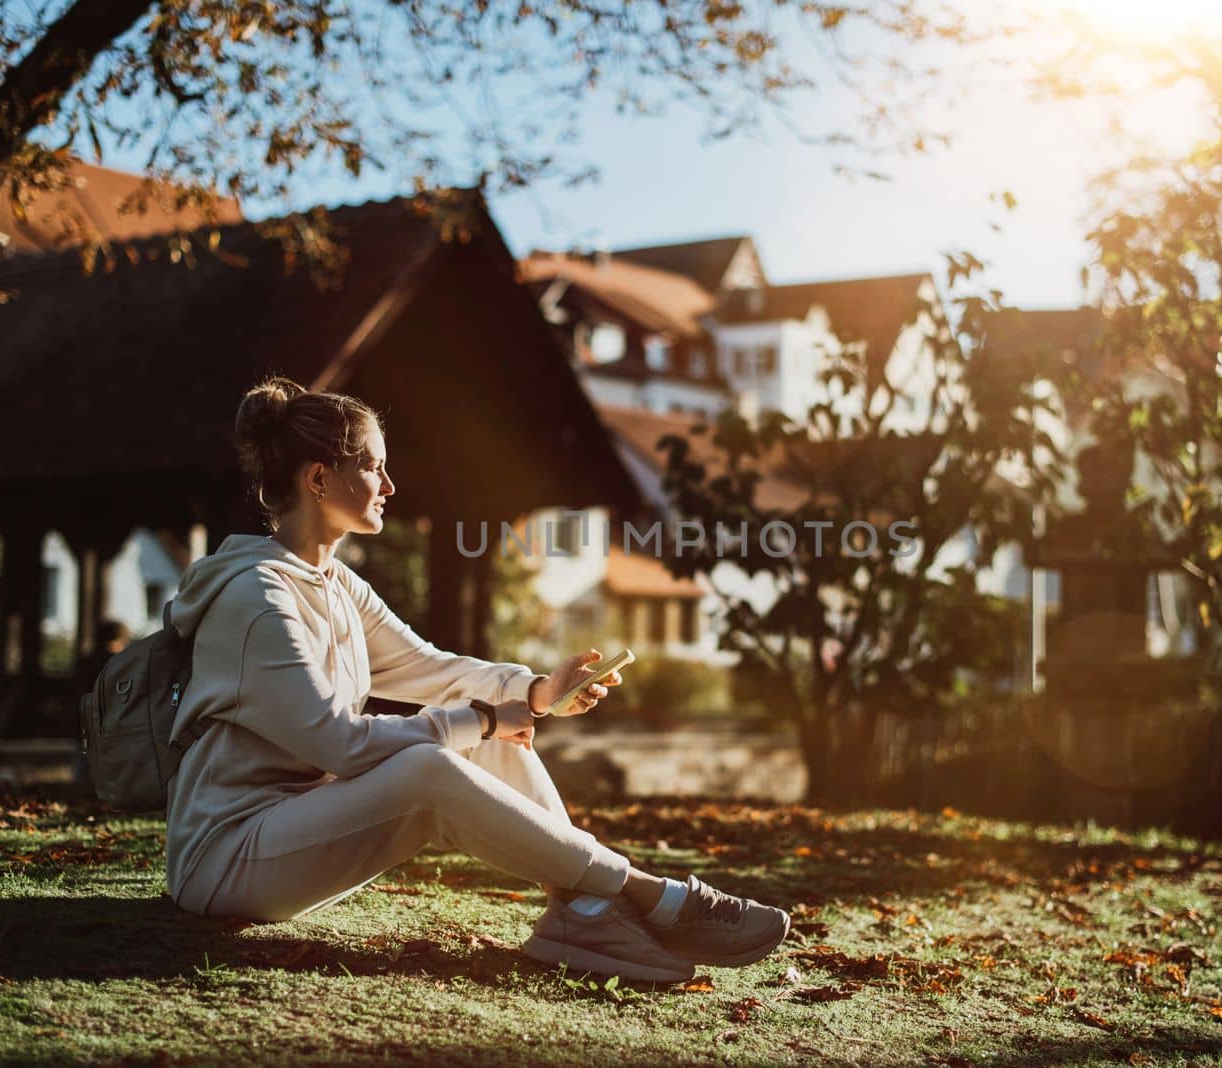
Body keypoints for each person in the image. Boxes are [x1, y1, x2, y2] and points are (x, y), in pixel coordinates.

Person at [162, 377, 787, 983]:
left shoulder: (336, 586)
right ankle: (647, 894)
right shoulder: (257, 599)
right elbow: (340, 743)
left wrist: (535, 692)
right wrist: (480, 719)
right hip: (228, 857)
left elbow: (429, 668)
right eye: (374, 468)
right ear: (319, 479)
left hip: (298, 830)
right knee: (436, 762)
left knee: (479, 732)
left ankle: (584, 911)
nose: (390, 484)